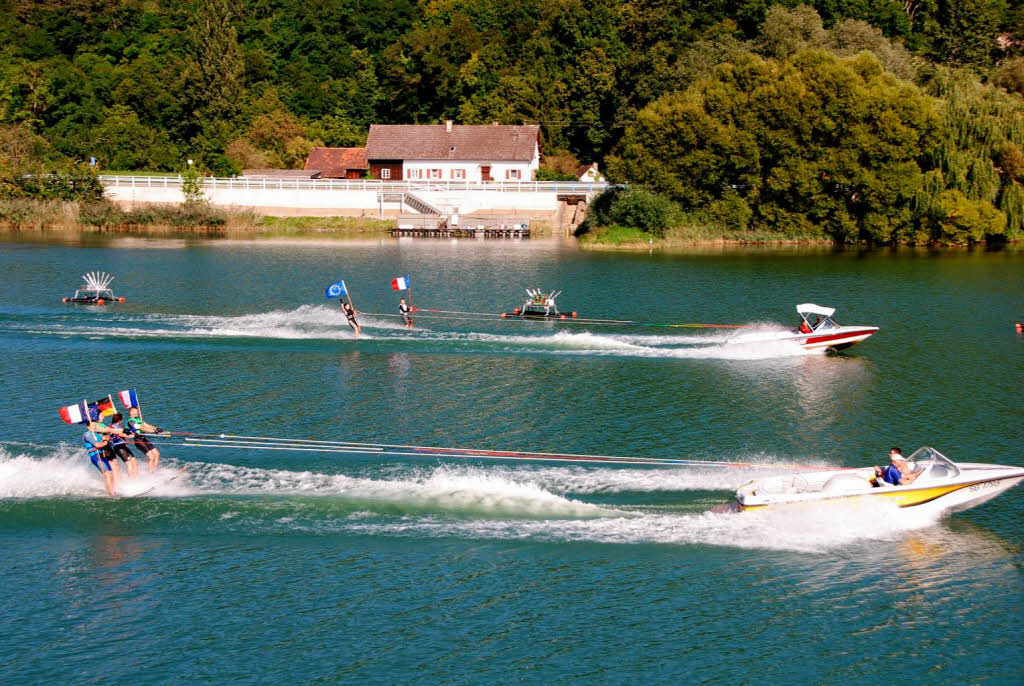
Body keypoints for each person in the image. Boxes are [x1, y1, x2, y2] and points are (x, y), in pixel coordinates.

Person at [125, 406, 167, 472]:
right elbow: (141, 428)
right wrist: (154, 431)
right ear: (131, 412)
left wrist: (157, 429)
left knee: (157, 454)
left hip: (144, 439)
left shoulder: (138, 419)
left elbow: (147, 425)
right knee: (151, 457)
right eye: (136, 411)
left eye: (137, 411)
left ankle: (154, 471)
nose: (137, 413)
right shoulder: (130, 422)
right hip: (138, 440)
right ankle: (150, 473)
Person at [83, 423, 118, 496]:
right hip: (96, 456)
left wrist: (109, 438)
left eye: (95, 425)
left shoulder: (96, 434)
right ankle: (111, 494)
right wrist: (105, 442)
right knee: (107, 474)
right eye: (93, 425)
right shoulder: (88, 435)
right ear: (88, 427)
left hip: (102, 456)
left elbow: (106, 438)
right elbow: (97, 445)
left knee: (111, 473)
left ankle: (114, 491)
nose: (95, 427)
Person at [107, 413, 140, 478]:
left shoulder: (120, 427)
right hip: (118, 447)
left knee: (134, 460)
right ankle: (131, 481)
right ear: (120, 420)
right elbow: (120, 435)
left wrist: (134, 433)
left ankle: (137, 478)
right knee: (129, 463)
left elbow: (125, 433)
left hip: (123, 446)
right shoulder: (112, 427)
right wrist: (132, 435)